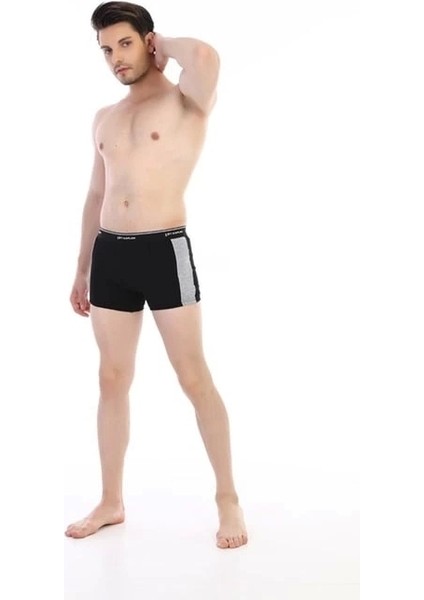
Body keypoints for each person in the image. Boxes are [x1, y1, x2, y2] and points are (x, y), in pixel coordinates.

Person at [65, 1, 248, 550]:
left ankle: (227, 498)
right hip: (111, 256)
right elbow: (96, 192)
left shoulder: (186, 102)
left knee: (193, 377)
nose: (114, 58)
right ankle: (111, 500)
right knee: (111, 378)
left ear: (148, 41)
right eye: (105, 49)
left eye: (124, 44)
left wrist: (161, 47)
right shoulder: (105, 117)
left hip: (164, 250)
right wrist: (81, 267)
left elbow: (206, 56)